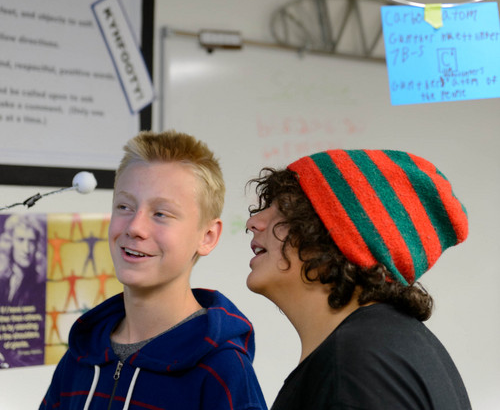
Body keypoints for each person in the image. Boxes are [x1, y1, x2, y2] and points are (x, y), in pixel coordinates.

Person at [40, 129, 267, 410]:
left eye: (161, 213)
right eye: (124, 206)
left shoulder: (223, 370)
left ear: (207, 236)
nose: (135, 227)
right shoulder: (81, 357)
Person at [246, 148, 471, 410]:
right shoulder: (391, 348)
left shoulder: (353, 367)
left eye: (283, 208)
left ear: (339, 236)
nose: (253, 222)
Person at [0, 214, 46, 307]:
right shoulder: (3, 280)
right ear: (10, 242)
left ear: (37, 246)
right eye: (20, 240)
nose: (26, 250)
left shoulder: (40, 288)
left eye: (31, 241)